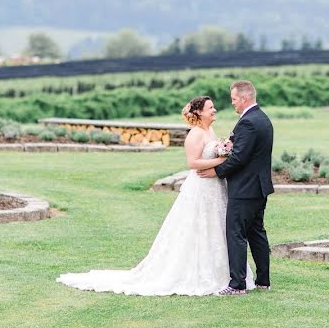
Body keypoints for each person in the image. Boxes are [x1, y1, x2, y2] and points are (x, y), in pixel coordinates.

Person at [56, 96, 254, 296]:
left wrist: (222, 156)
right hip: (201, 188)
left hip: (216, 187)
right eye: (211, 108)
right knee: (198, 226)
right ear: (200, 112)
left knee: (217, 226)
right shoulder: (194, 135)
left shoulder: (209, 131)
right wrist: (220, 162)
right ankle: (196, 273)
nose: (215, 110)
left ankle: (225, 274)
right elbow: (192, 163)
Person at [198, 80, 273, 296]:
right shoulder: (262, 118)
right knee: (256, 232)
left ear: (244, 98)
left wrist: (216, 172)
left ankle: (237, 284)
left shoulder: (248, 122)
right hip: (258, 188)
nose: (232, 103)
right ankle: (263, 281)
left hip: (245, 189)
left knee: (236, 233)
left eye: (233, 99)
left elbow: (239, 157)